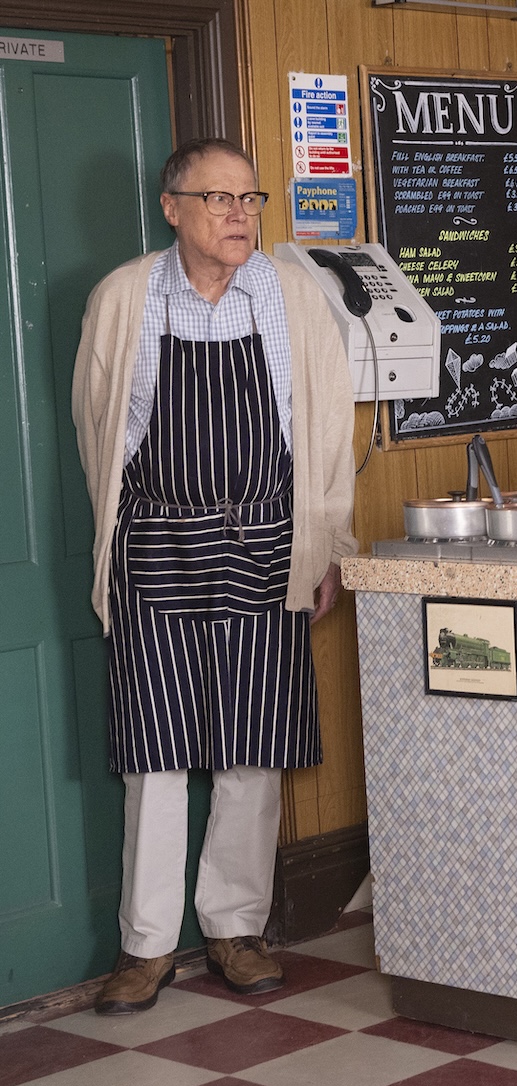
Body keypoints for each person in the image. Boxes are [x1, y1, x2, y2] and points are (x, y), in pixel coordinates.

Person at [71, 138, 357, 1013]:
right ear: (173, 209)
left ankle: (235, 927)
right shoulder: (124, 297)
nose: (239, 215)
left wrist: (326, 543)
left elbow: (328, 429)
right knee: (154, 754)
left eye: (249, 198)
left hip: (267, 540)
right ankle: (145, 945)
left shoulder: (293, 295)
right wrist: (116, 549)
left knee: (253, 744)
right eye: (218, 198)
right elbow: (99, 436)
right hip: (156, 544)